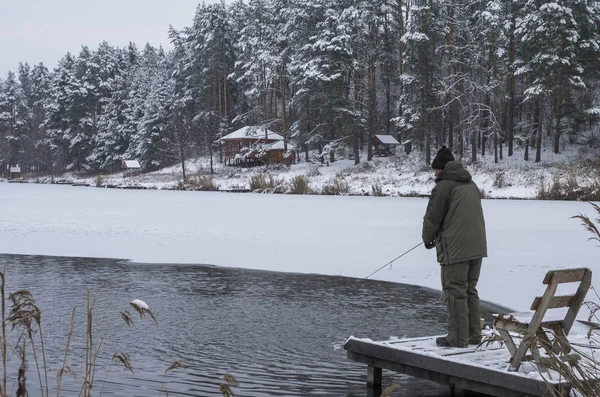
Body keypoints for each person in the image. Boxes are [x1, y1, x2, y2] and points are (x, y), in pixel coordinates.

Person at [422, 146, 487, 348]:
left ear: (441, 169)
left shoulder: (443, 187)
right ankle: (474, 334)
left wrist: (427, 239)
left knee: (454, 292)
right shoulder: (471, 184)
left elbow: (432, 218)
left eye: (434, 170)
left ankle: (457, 338)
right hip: (477, 247)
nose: (434, 174)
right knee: (469, 289)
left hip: (456, 249)